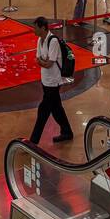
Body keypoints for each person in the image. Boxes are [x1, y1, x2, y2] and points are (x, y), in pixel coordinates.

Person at [29, 17, 73, 145]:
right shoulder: (39, 40)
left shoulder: (52, 41)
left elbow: (48, 64)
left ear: (43, 28)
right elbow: (40, 60)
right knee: (56, 108)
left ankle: (33, 142)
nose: (34, 30)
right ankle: (67, 132)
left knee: (43, 111)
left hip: (54, 81)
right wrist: (44, 62)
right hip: (45, 80)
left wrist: (42, 62)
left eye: (35, 27)